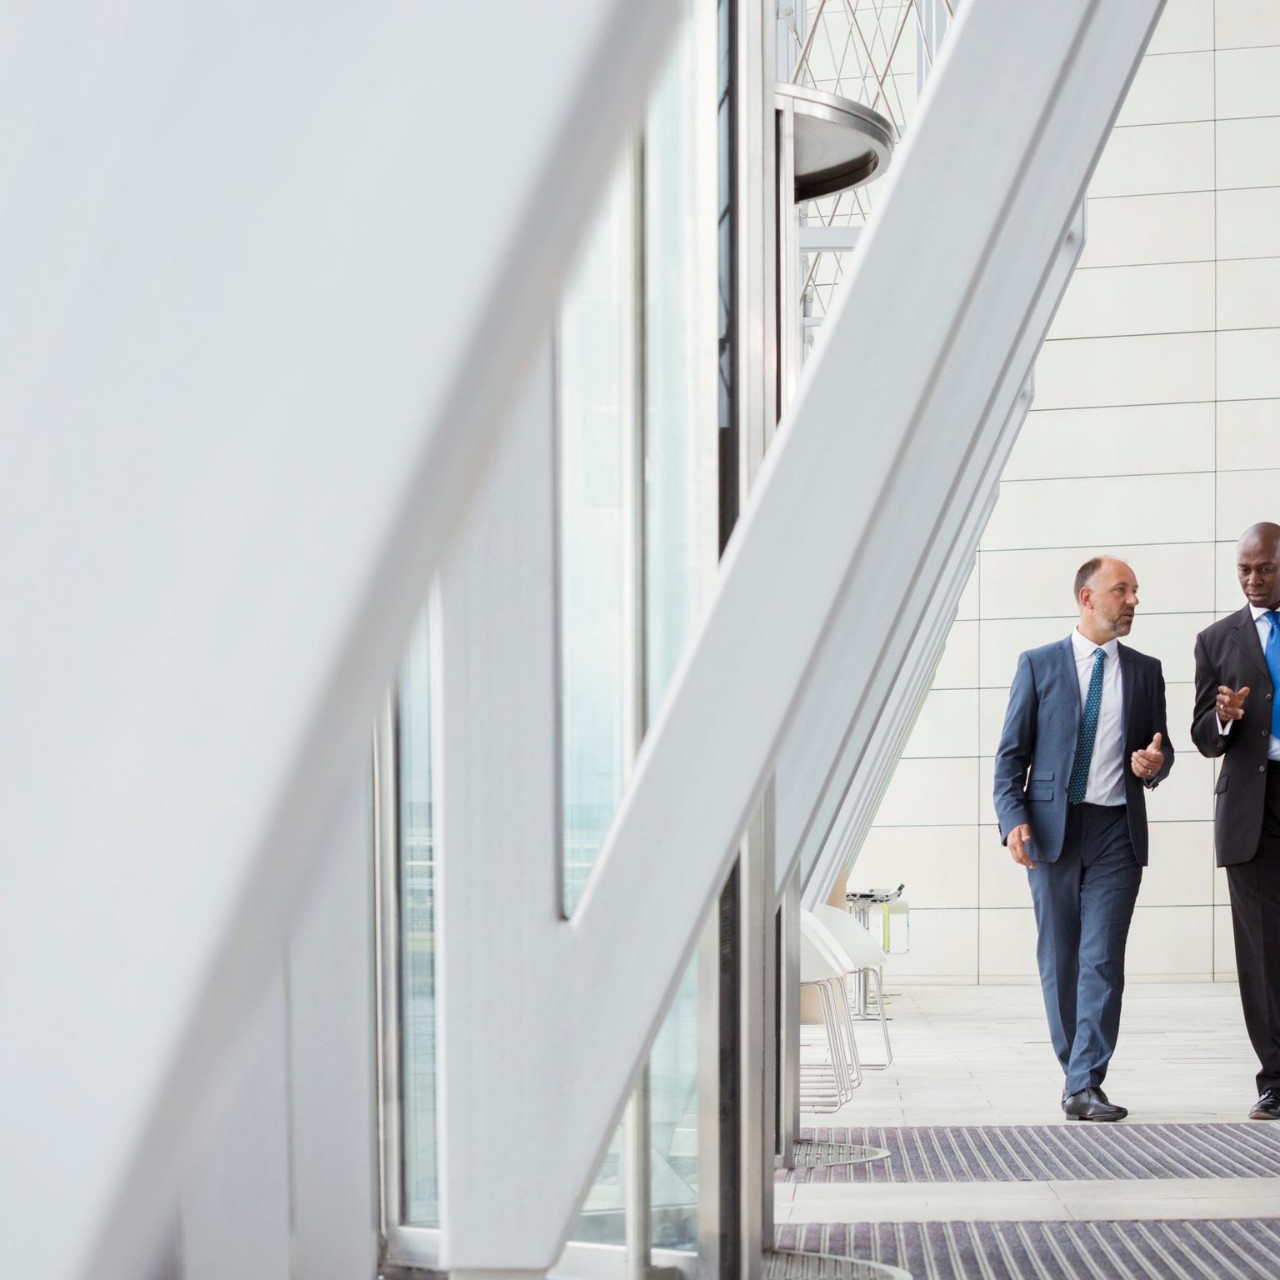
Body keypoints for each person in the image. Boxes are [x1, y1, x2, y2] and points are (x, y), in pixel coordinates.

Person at [994, 557, 1172, 1121]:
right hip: (1052, 830)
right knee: (1060, 957)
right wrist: (1011, 819)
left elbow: (1158, 756)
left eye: (1136, 591)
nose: (1133, 600)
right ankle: (1077, 1073)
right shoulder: (1039, 665)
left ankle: (1086, 1080)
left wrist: (1153, 766)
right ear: (1087, 598)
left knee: (1101, 958)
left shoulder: (1145, 671)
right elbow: (1009, 759)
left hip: (1117, 830)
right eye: (1122, 590)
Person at [1191, 521, 1280, 1122]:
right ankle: (1276, 1079)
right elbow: (1202, 738)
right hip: (1254, 811)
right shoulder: (1216, 639)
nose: (1252, 579)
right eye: (1244, 569)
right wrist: (1223, 718)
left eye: (1265, 568)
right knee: (1263, 953)